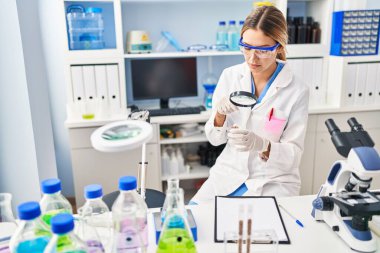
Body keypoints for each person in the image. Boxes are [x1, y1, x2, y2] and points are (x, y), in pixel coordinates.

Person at [191, 5, 309, 204]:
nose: (252, 59)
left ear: (279, 47)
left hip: (273, 180)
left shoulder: (297, 90)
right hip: (228, 173)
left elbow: (293, 156)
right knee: (193, 218)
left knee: (262, 232)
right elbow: (214, 139)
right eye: (246, 48)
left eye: (262, 50)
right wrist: (219, 114)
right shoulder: (230, 76)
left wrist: (263, 145)